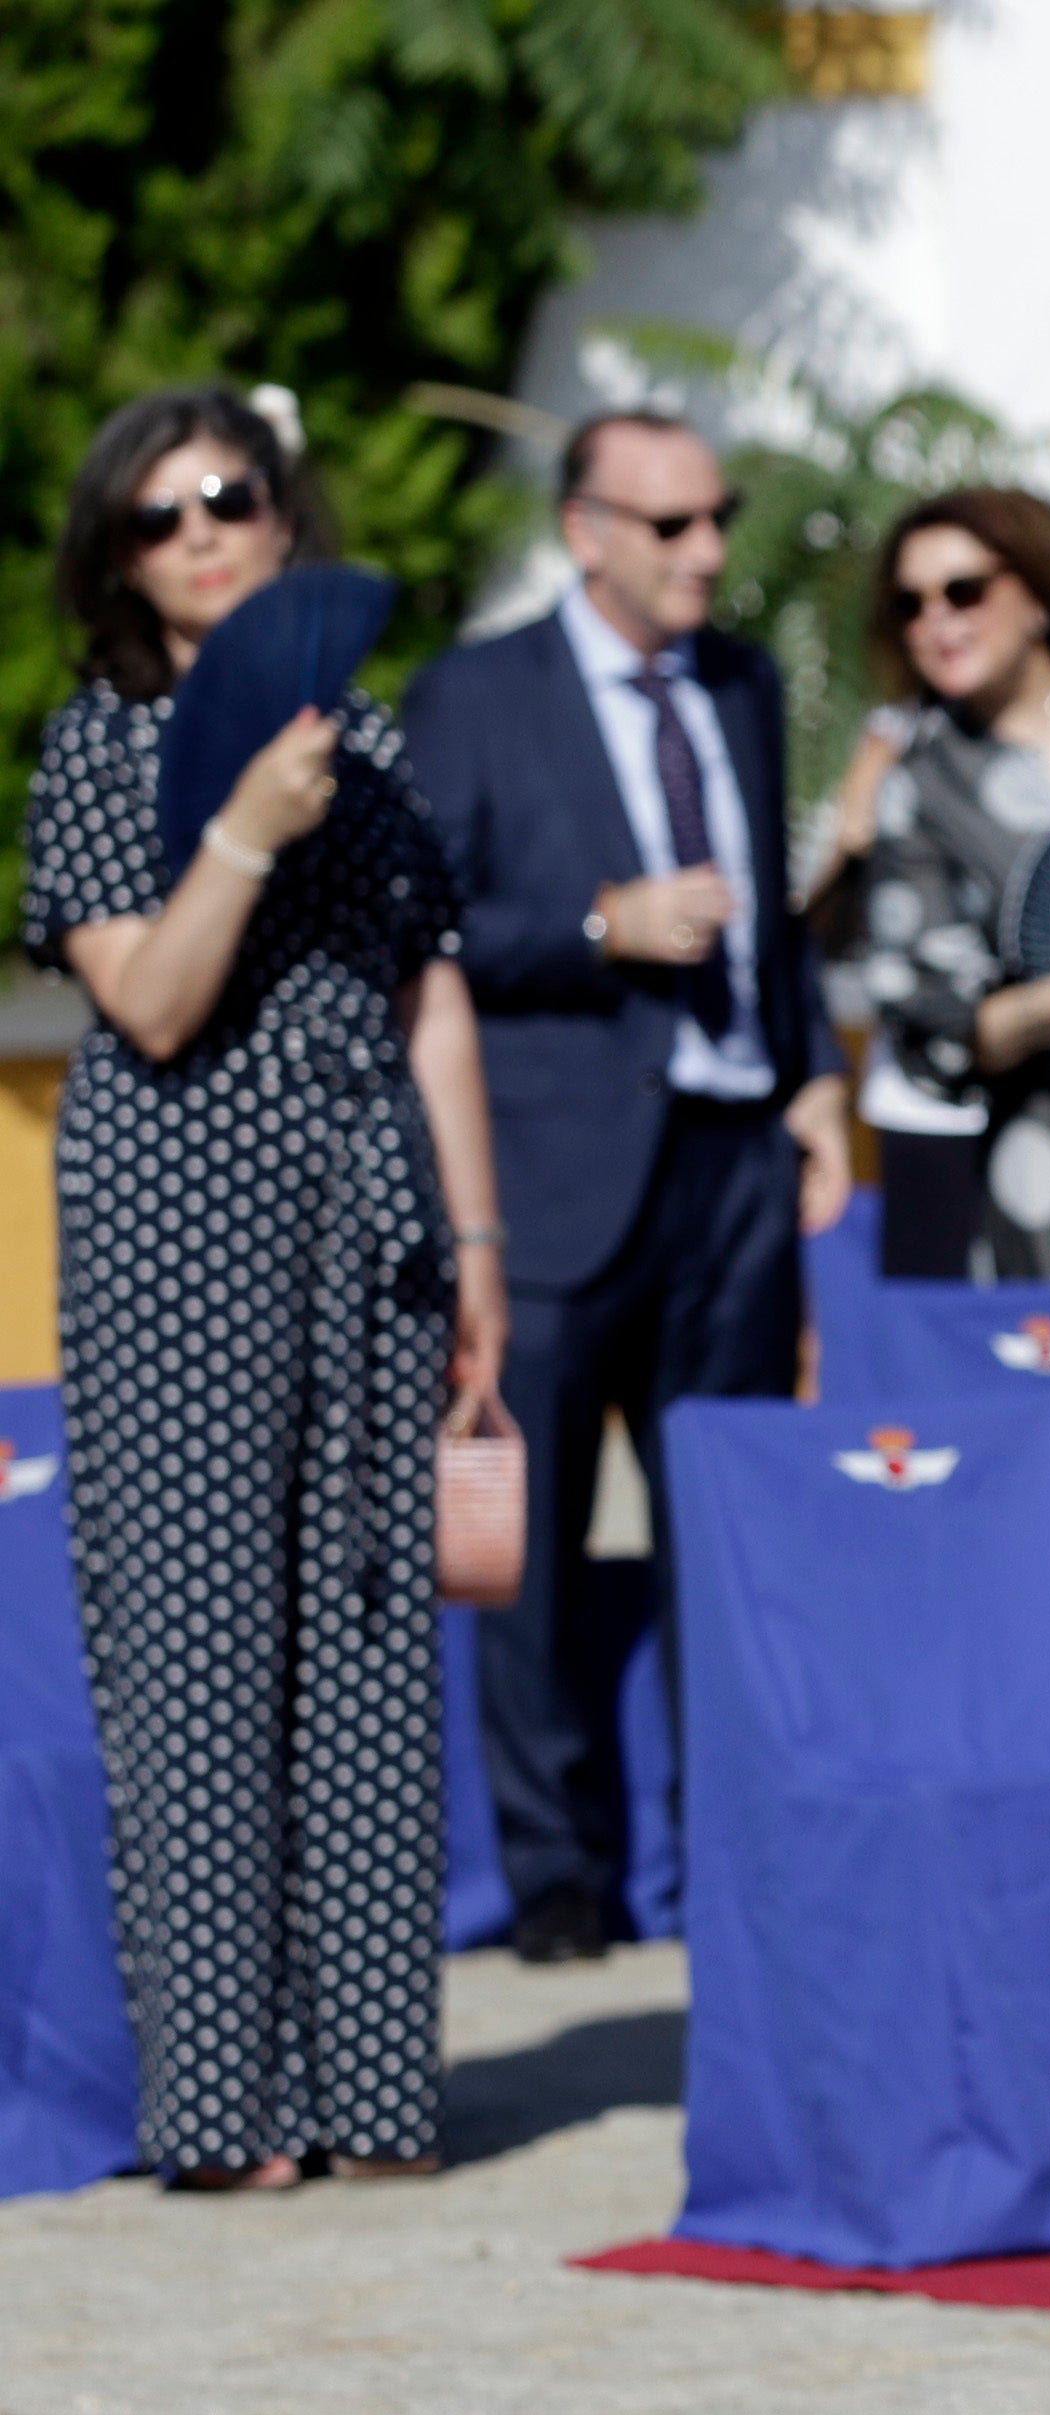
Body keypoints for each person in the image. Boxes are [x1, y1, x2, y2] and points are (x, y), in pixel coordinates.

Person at [23, 386, 507, 2186]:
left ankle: (375, 2093)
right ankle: (223, 2112)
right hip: (177, 1216)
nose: (202, 531)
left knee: (372, 1639)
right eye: (159, 516)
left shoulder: (368, 744)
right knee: (194, 1649)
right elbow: (148, 1006)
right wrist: (236, 822)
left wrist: (477, 1246)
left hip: (366, 1199)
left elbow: (430, 995)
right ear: (118, 563)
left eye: (230, 495)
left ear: (286, 519)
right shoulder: (98, 746)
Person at [405, 411, 854, 1964]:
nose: (708, 552)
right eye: (670, 526)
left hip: (735, 1165)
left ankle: (724, 1844)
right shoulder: (472, 694)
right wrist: (601, 925)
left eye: (715, 518)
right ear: (584, 529)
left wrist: (815, 1083)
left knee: (719, 1522)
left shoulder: (738, 684)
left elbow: (775, 914)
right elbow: (430, 928)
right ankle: (552, 1871)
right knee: (518, 1541)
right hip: (552, 1176)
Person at [852, 487, 1050, 1280]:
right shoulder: (922, 787)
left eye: (964, 589)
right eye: (910, 604)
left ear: (1035, 591)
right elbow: (932, 1024)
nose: (938, 620)